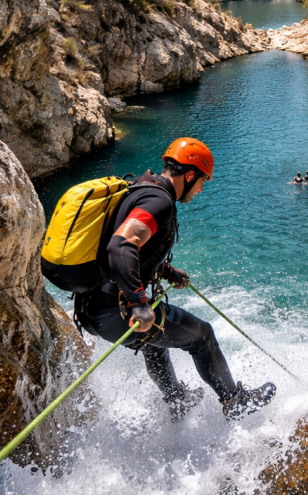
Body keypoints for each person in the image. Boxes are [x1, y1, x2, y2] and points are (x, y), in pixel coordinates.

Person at [74, 138, 276, 422]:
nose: (202, 189)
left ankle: (177, 402)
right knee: (202, 336)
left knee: (154, 343)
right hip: (118, 312)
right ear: (189, 174)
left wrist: (167, 272)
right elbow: (121, 246)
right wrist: (138, 303)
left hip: (92, 309)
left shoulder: (140, 187)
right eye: (203, 180)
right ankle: (236, 402)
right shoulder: (160, 201)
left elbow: (129, 245)